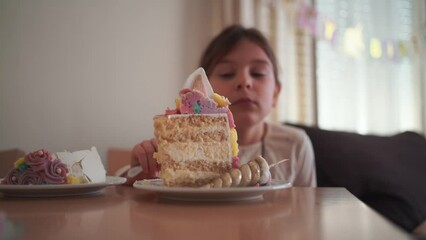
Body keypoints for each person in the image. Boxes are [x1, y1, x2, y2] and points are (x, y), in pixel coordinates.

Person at [129, 25, 316, 187]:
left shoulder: (295, 146)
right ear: (204, 90)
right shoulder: (176, 146)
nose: (244, 81)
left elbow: (306, 209)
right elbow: (129, 186)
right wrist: (140, 170)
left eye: (258, 73)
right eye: (227, 73)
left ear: (276, 93)